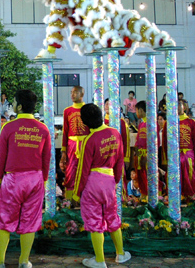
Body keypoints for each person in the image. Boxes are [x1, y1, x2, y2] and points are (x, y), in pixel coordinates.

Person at [0, 90, 50, 268]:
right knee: (30, 221)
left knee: (4, 220)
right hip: (35, 180)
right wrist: (42, 182)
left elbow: (1, 158)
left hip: (13, 180)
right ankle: (24, 261)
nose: (12, 104)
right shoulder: (43, 129)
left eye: (13, 102)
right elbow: (46, 159)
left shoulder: (9, 127)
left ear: (19, 106)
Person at [73, 103, 130, 268]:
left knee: (94, 220)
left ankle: (100, 260)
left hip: (92, 183)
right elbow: (120, 160)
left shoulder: (89, 140)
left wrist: (77, 194)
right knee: (112, 217)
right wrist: (116, 180)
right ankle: (120, 254)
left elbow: (83, 170)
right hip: (109, 181)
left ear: (85, 122)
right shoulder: (115, 133)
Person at [162, 100, 195, 200]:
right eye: (175, 105)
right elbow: (165, 142)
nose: (177, 107)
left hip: (188, 154)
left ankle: (190, 196)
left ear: (184, 107)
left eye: (179, 105)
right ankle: (175, 197)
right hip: (174, 154)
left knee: (190, 176)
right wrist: (165, 159)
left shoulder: (191, 122)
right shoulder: (168, 122)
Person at [60, 86, 87, 200]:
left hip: (86, 144)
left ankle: (86, 199)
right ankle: (69, 200)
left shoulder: (88, 109)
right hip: (72, 145)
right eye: (71, 92)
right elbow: (65, 131)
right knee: (70, 171)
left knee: (86, 171)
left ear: (82, 94)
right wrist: (64, 151)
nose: (72, 94)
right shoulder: (67, 111)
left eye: (75, 92)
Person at [132, 101, 159, 200]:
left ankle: (151, 196)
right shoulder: (141, 124)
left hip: (148, 155)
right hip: (140, 154)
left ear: (141, 110)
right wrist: (137, 153)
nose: (136, 113)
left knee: (148, 175)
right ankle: (143, 194)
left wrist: (147, 156)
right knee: (140, 175)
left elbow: (155, 141)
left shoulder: (152, 124)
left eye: (136, 110)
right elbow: (139, 140)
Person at [103, 99, 130, 169]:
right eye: (106, 104)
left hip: (117, 156)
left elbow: (126, 140)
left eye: (109, 104)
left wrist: (126, 158)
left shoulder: (121, 122)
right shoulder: (100, 121)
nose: (107, 106)